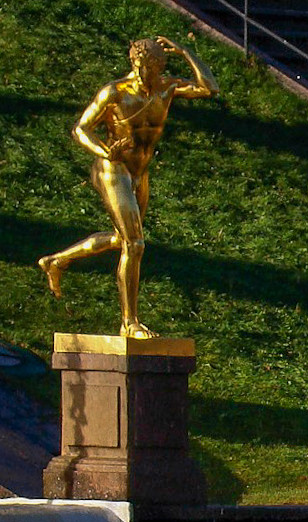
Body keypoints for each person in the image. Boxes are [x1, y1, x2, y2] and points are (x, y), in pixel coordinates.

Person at [38, 37, 217, 339]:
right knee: (136, 244)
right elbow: (80, 129)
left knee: (123, 241)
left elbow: (209, 88)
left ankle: (57, 261)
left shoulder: (165, 88)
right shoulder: (115, 93)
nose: (158, 74)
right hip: (112, 168)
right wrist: (106, 151)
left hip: (139, 173)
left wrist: (186, 53)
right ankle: (129, 323)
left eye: (162, 67)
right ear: (139, 65)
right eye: (153, 68)